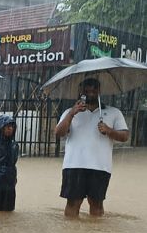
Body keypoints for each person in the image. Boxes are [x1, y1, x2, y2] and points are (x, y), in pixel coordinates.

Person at [54, 78, 130, 217]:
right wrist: (72, 113)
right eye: (87, 90)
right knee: (72, 204)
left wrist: (109, 131)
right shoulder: (69, 112)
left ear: (99, 91)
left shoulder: (114, 112)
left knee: (97, 205)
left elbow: (125, 136)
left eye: (94, 90)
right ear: (80, 91)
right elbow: (58, 133)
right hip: (74, 165)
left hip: (100, 166)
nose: (90, 93)